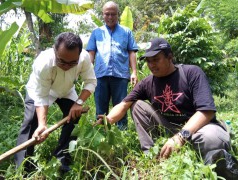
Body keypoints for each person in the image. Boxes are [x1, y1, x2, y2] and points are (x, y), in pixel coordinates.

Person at [98, 37, 238, 179]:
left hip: (199, 128)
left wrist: (181, 137)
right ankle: (152, 154)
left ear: (170, 56)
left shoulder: (192, 73)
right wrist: (107, 120)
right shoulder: (148, 82)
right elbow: (123, 104)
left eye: (156, 59)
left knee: (211, 139)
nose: (151, 65)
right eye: (148, 61)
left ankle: (215, 164)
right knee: (137, 105)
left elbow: (206, 111)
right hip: (169, 128)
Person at [14, 32, 97, 174]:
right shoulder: (43, 63)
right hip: (40, 90)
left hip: (66, 90)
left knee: (74, 117)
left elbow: (91, 82)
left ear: (78, 56)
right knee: (30, 122)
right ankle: (23, 168)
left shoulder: (84, 58)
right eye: (62, 61)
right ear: (54, 50)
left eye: (72, 63)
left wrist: (79, 102)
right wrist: (42, 124)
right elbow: (41, 96)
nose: (66, 66)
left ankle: (62, 158)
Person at [86, 1, 138, 130]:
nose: (110, 17)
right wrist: (87, 72)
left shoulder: (126, 32)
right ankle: (100, 133)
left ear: (118, 15)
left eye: (113, 14)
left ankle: (121, 134)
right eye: (107, 14)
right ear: (102, 15)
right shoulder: (96, 33)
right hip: (100, 75)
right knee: (100, 108)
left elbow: (132, 52)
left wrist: (134, 72)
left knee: (121, 106)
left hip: (120, 76)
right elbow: (91, 53)